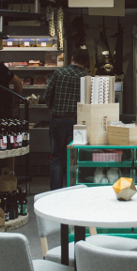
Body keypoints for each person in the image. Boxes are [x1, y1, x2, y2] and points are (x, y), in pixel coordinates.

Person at [42, 48, 89, 190]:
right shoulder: (86, 78)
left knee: (56, 157)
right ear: (86, 63)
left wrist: (54, 107)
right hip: (77, 122)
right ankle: (72, 190)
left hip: (58, 120)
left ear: (72, 58)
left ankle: (56, 191)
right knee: (73, 157)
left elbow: (46, 96)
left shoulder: (59, 73)